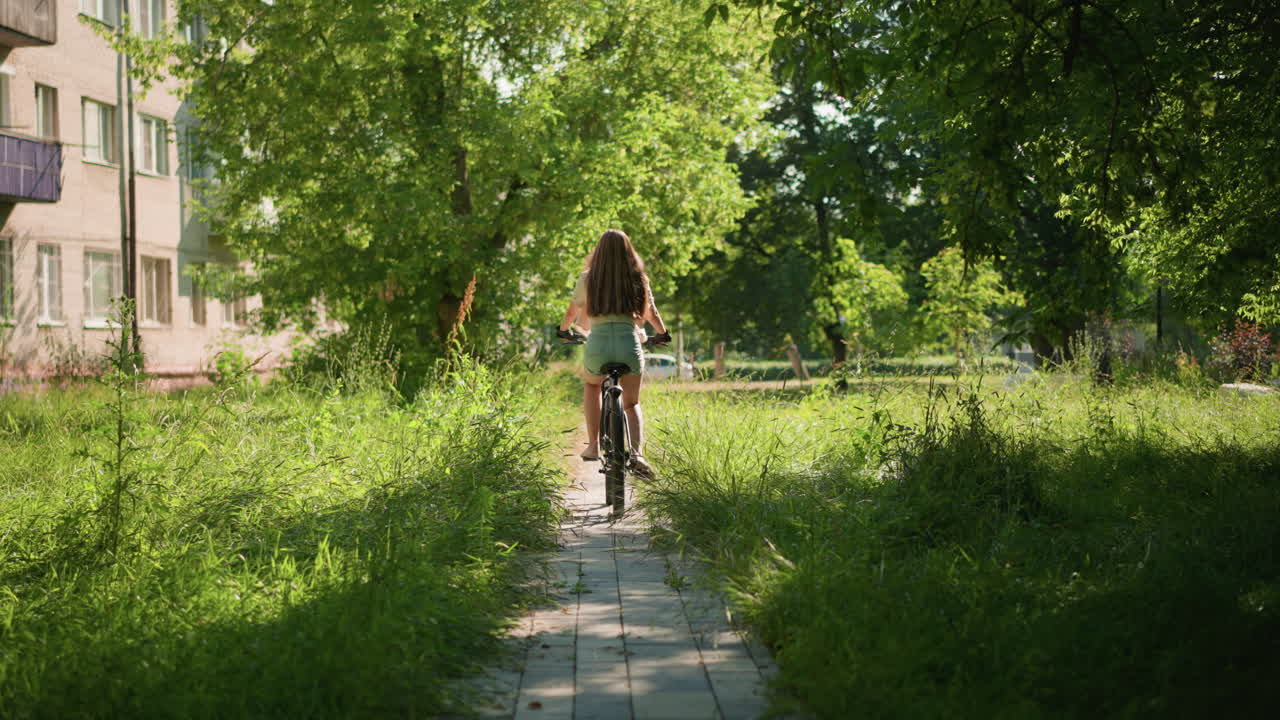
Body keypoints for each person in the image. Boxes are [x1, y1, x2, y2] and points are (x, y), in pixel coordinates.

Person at [558, 229, 669, 475]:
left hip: (597, 344)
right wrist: (663, 333)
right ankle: (638, 454)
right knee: (631, 403)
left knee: (592, 386)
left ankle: (594, 445)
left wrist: (563, 331)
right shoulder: (639, 279)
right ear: (629, 251)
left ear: (598, 252)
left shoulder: (587, 278)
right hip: (629, 343)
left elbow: (571, 313)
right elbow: (652, 312)